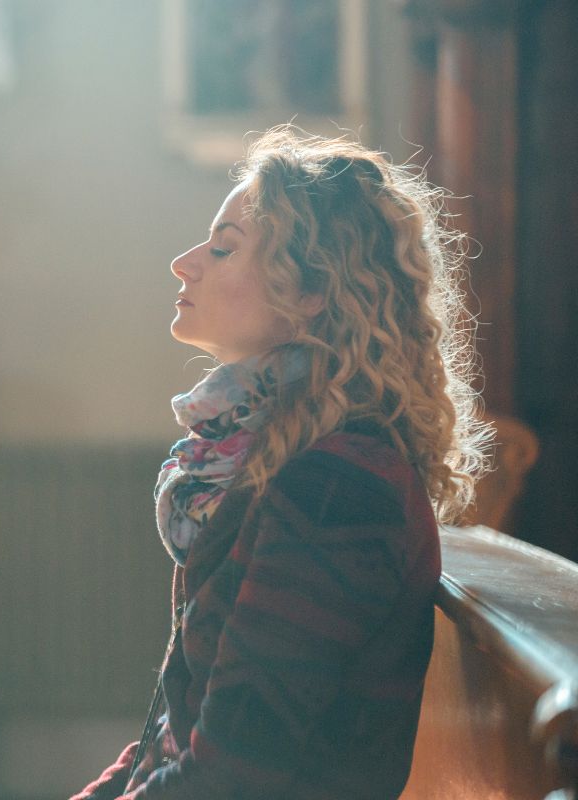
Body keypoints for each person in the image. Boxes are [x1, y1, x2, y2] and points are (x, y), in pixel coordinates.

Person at [70, 127, 490, 800]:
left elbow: (233, 774)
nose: (184, 263)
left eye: (222, 247)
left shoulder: (340, 488)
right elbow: (180, 738)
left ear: (311, 288)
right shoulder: (279, 458)